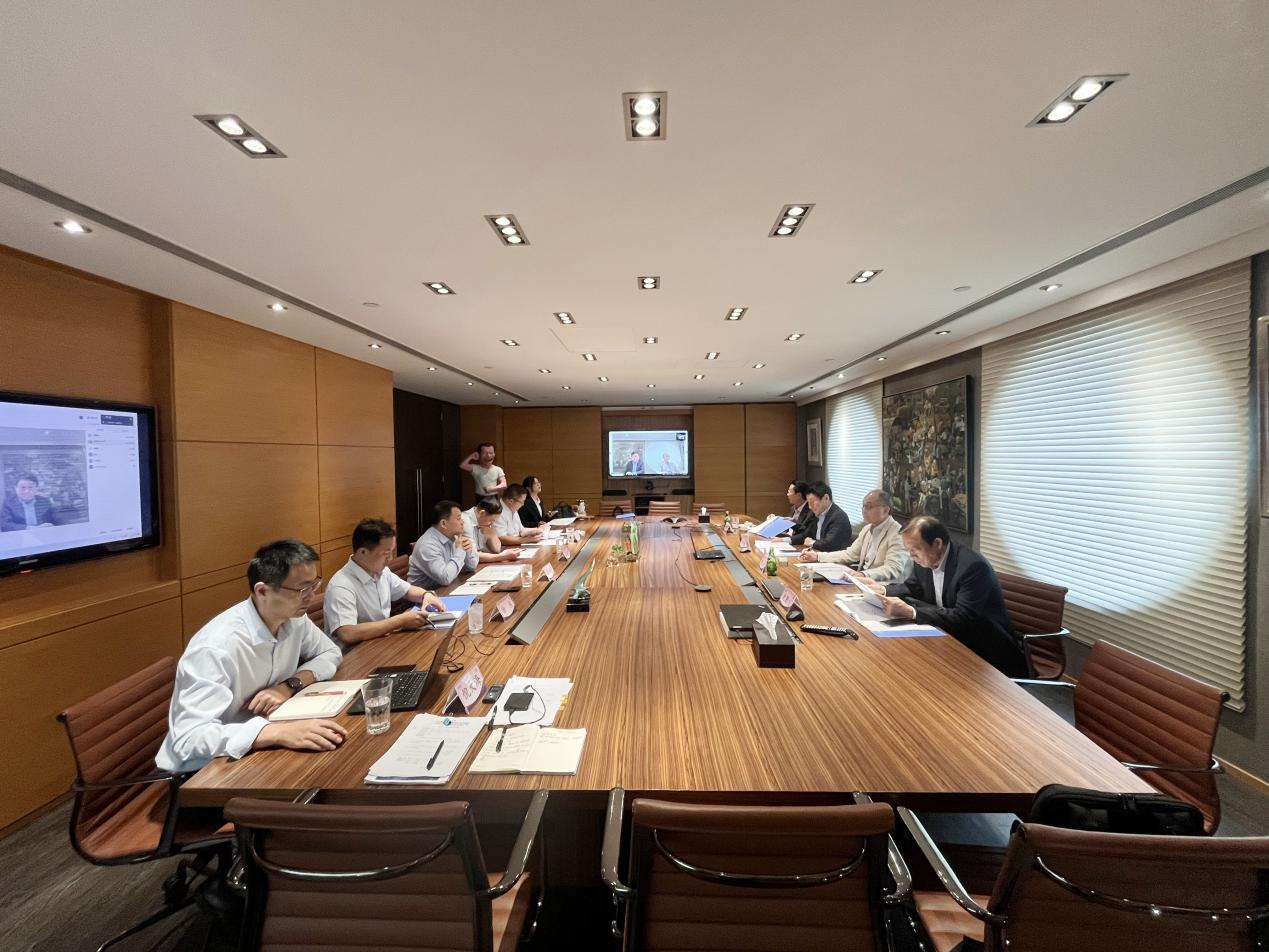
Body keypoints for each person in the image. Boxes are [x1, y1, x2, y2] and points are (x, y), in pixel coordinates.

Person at [156, 539, 346, 773]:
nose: (311, 596)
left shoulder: (295, 620)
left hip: (262, 746)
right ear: (262, 590)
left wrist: (290, 685)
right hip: (204, 771)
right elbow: (189, 738)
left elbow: (330, 652)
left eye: (314, 585)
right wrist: (275, 732)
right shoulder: (216, 647)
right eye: (301, 590)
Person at [869, 515, 1026, 677]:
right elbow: (913, 587)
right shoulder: (926, 558)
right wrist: (882, 590)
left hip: (983, 648)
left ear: (937, 543)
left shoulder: (972, 567)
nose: (911, 556)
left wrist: (913, 612)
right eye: (908, 550)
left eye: (914, 549)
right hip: (946, 635)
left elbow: (963, 618)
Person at [323, 518, 445, 646]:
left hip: (380, 643)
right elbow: (347, 633)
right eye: (386, 554)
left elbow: (408, 590)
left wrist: (426, 595)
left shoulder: (381, 572)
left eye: (392, 552)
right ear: (363, 552)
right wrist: (400, 621)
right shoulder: (341, 585)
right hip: (354, 653)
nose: (390, 559)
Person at [801, 490, 910, 582]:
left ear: (886, 510)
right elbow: (850, 554)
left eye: (868, 506)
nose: (864, 510)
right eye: (863, 505)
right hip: (862, 581)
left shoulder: (898, 533)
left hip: (883, 587)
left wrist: (864, 574)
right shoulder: (867, 529)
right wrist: (818, 556)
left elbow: (893, 568)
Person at [409, 500, 479, 588]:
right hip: (426, 594)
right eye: (458, 518)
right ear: (443, 523)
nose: (462, 522)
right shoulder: (427, 545)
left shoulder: (453, 537)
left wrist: (467, 550)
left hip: (447, 588)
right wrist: (460, 550)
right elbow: (445, 578)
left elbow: (471, 567)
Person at [791, 482, 853, 551]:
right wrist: (786, 540)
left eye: (812, 502)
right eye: (808, 503)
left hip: (833, 556)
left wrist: (812, 543)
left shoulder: (839, 516)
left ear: (826, 498)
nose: (810, 507)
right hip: (817, 553)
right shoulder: (817, 514)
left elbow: (830, 543)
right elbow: (805, 535)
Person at [464, 497, 522, 563]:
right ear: (482, 513)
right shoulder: (465, 522)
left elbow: (496, 549)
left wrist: (491, 532)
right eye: (491, 520)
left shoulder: (484, 522)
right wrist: (503, 556)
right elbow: (472, 557)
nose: (492, 524)